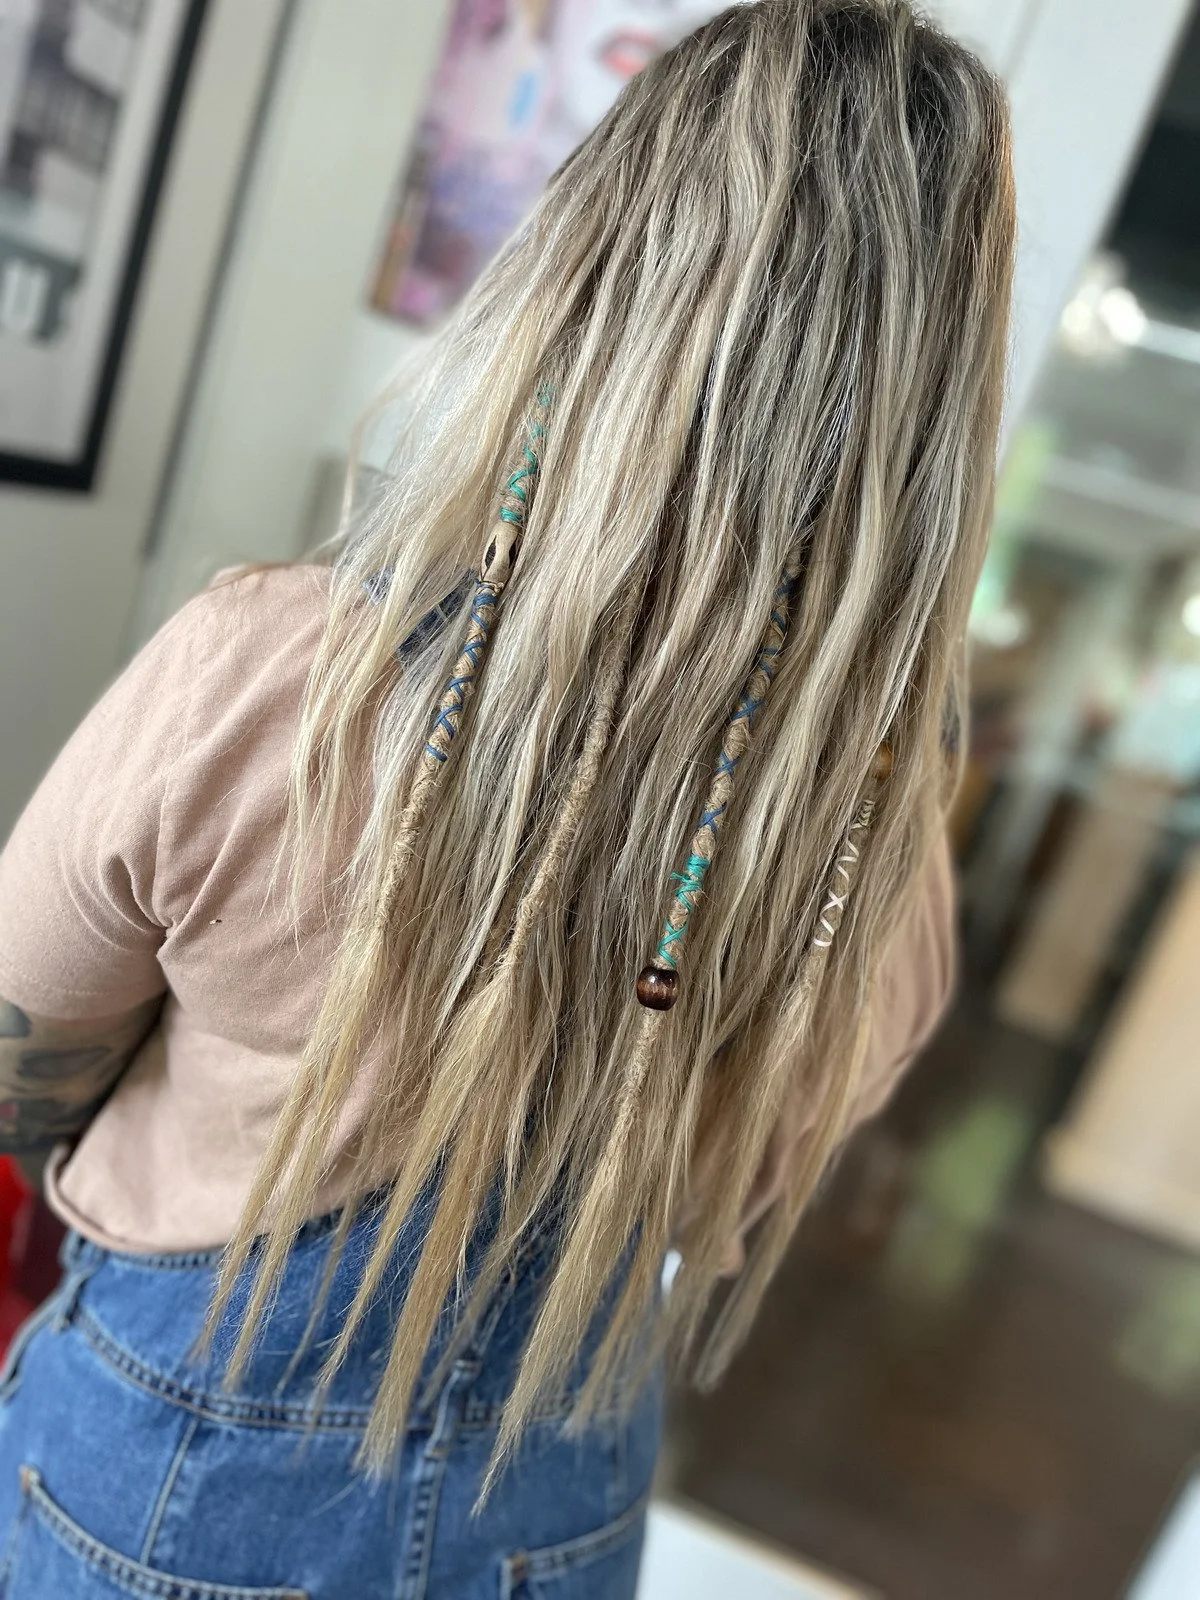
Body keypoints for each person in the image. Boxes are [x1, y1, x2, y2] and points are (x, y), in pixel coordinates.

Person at [0, 2, 1014, 1594]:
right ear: (930, 398)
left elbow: (19, 1071)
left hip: (164, 1501)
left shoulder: (269, 682)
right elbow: (727, 1204)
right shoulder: (888, 868)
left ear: (586, 271)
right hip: (559, 1527)